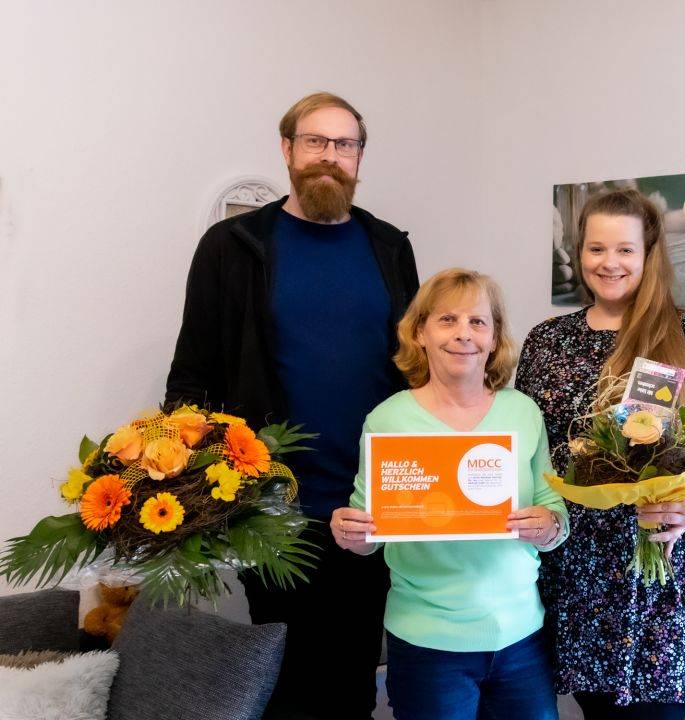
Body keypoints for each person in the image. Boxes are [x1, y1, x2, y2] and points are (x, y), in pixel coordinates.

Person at [164, 91, 419, 719]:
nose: (329, 157)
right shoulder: (234, 246)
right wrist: (184, 481)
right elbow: (193, 373)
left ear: (360, 157)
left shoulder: (390, 247)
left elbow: (419, 367)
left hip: (370, 505)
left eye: (344, 145)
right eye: (315, 142)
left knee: (356, 672)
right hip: (271, 508)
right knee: (284, 676)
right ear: (287, 150)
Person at [516, 189, 685, 720]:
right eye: (597, 249)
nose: (609, 263)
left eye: (625, 250)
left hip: (662, 558)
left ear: (648, 254)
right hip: (578, 564)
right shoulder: (546, 341)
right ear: (580, 254)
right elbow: (526, 444)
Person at [332, 268, 569, 720]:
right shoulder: (387, 420)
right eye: (448, 320)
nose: (464, 334)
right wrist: (350, 531)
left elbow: (553, 508)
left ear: (495, 337)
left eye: (478, 322)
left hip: (522, 637)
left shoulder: (523, 412)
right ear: (419, 331)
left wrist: (550, 524)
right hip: (427, 643)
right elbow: (368, 533)